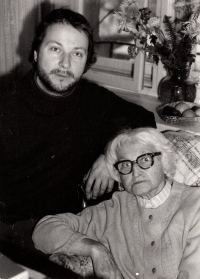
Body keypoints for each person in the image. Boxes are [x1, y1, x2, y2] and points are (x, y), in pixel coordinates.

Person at [0, 8, 156, 250]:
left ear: (86, 61)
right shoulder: (6, 104)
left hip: (67, 226)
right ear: (35, 51)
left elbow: (144, 119)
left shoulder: (92, 99)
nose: (65, 64)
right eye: (55, 49)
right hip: (9, 232)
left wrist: (110, 155)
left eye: (77, 53)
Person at [33, 128, 200, 279]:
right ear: (118, 175)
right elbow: (43, 231)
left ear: (164, 162)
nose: (135, 172)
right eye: (125, 164)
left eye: (145, 159)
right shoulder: (114, 208)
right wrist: (95, 249)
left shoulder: (195, 206)